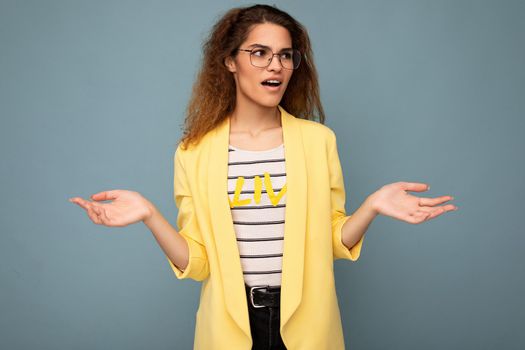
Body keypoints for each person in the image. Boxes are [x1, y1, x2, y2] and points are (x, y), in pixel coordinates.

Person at [69, 4, 457, 350]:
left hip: (307, 326)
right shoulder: (194, 151)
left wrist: (371, 207)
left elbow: (333, 239)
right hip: (229, 330)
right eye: (259, 53)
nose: (276, 66)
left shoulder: (317, 141)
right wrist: (149, 215)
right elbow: (200, 263)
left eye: (286, 55)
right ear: (229, 61)